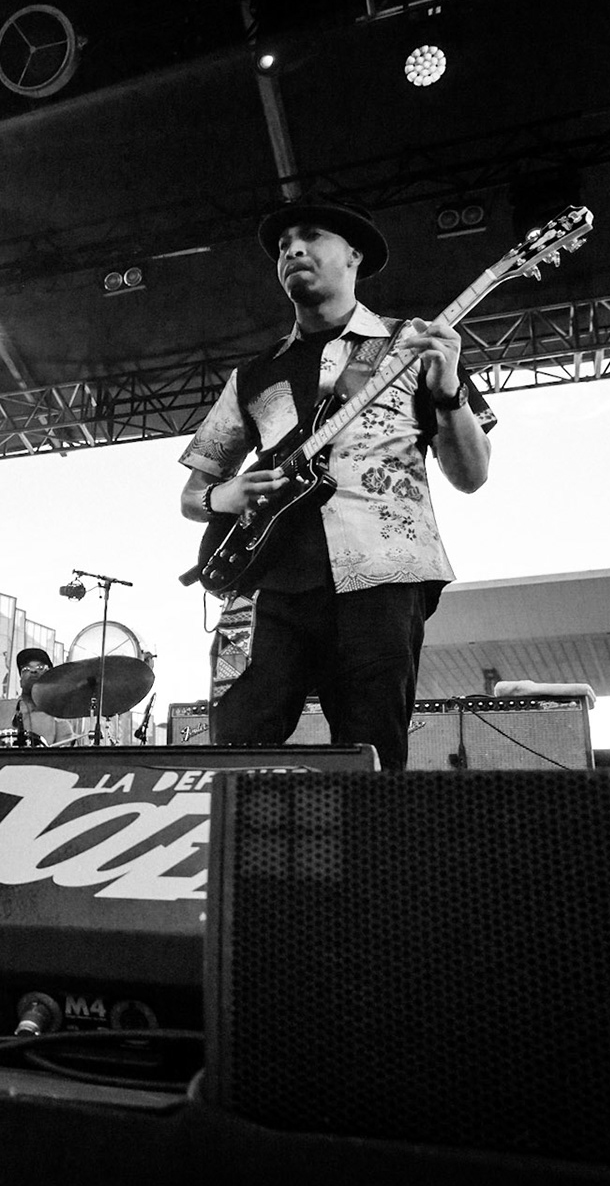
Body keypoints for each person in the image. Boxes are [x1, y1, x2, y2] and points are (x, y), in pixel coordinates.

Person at [178, 196, 494, 771]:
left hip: (381, 577)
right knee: (235, 749)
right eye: (283, 246)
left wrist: (449, 394)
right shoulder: (253, 374)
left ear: (354, 255)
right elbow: (193, 495)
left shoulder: (411, 344)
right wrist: (225, 495)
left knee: (371, 754)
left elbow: (471, 476)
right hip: (265, 583)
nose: (292, 250)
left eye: (311, 237)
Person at [0, 648, 69, 745]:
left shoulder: (58, 717)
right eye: (26, 669)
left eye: (40, 668)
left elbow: (67, 751)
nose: (33, 671)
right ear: (20, 682)